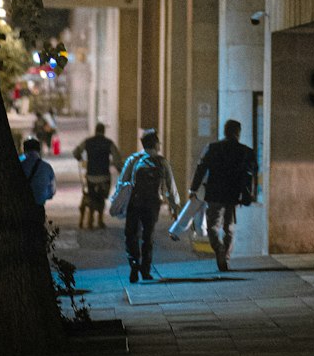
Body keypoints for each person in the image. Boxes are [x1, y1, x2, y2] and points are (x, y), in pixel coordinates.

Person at [188, 119, 256, 272]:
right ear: (238, 133)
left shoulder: (212, 148)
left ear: (224, 131)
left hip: (214, 194)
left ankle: (218, 249)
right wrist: (247, 194)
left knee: (212, 226)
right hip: (232, 194)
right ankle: (225, 255)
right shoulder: (245, 151)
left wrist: (193, 189)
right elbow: (250, 174)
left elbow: (201, 168)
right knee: (229, 226)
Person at [114, 129, 181, 283]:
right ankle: (146, 270)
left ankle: (134, 266)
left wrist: (119, 201)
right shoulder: (162, 162)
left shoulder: (134, 160)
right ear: (156, 144)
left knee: (131, 235)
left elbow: (122, 182)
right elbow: (171, 187)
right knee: (147, 237)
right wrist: (174, 207)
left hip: (135, 203)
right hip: (153, 204)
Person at [72, 121, 122, 229]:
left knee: (91, 196)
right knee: (102, 198)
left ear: (95, 131)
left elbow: (76, 152)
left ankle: (89, 220)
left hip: (91, 176)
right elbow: (117, 158)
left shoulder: (87, 142)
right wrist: (119, 169)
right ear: (104, 132)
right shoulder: (109, 143)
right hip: (104, 177)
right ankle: (100, 220)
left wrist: (80, 158)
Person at [19, 136, 57, 212]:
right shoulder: (47, 167)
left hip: (21, 206)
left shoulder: (20, 163)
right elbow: (52, 190)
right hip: (39, 206)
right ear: (39, 150)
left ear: (24, 149)